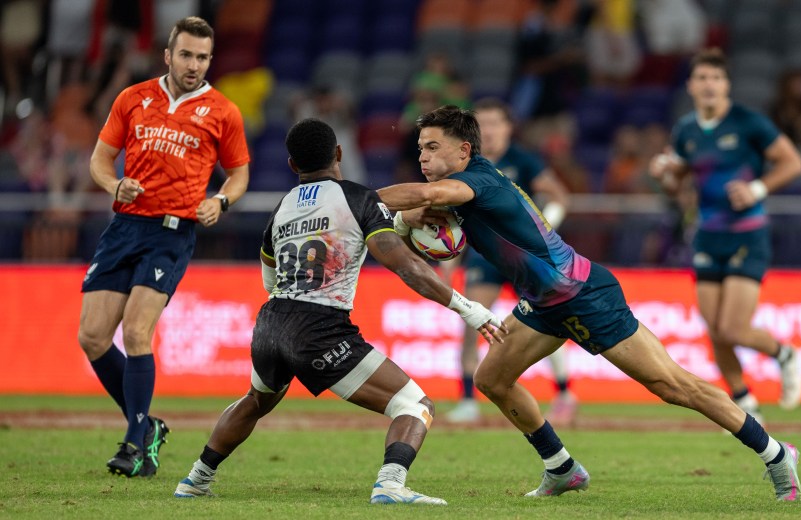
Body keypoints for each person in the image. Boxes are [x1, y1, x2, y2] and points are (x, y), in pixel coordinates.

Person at [377, 104, 801, 502]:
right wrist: (401, 218)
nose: (423, 157)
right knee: (493, 378)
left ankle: (777, 454)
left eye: (432, 147)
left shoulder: (477, 181)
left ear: (464, 150)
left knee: (674, 386)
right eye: (419, 149)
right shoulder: (467, 184)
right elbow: (427, 206)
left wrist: (359, 202)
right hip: (544, 303)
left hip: (584, 294)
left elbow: (428, 197)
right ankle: (561, 467)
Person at [174, 118, 505, 504]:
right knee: (415, 405)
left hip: (270, 323)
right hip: (320, 329)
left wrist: (387, 222)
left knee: (256, 400)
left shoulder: (280, 209)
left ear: (292, 166)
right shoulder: (358, 198)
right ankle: (390, 485)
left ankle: (195, 479)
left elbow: (270, 280)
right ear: (339, 154)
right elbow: (405, 266)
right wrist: (470, 310)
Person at [77, 16, 251, 478]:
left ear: (209, 60)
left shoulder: (222, 111)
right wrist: (115, 185)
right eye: (187, 55)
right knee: (92, 337)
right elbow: (98, 160)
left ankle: (135, 444)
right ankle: (147, 426)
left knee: (136, 332)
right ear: (168, 55)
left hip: (172, 233)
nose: (194, 65)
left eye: (203, 57)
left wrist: (222, 201)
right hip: (124, 227)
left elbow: (239, 175)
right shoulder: (132, 98)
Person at [648, 48, 801, 424]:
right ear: (690, 85)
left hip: (747, 234)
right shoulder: (686, 129)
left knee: (733, 328)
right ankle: (745, 402)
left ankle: (784, 354)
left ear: (727, 85)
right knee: (716, 331)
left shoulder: (748, 122)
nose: (709, 85)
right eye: (701, 78)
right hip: (707, 235)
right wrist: (664, 175)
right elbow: (678, 184)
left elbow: (793, 162)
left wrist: (758, 189)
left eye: (716, 79)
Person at [443, 98, 576, 425]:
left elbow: (559, 195)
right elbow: (457, 218)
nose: (488, 130)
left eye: (494, 123)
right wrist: (448, 261)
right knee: (472, 319)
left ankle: (563, 393)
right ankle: (467, 399)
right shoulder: (466, 165)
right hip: (485, 254)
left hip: (525, 255)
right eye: (482, 124)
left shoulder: (523, 161)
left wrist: (543, 230)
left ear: (508, 127)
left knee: (547, 319)